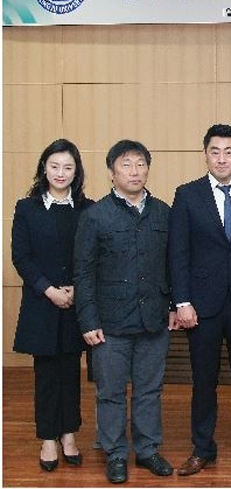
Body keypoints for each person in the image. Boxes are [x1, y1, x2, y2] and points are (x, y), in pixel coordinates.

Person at [169, 124, 231, 477]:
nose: (222, 158)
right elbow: (178, 252)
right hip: (201, 305)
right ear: (205, 155)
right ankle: (202, 449)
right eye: (215, 151)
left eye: (229, 152)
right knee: (204, 380)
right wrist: (181, 301)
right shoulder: (187, 195)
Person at [74, 140, 175, 484]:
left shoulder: (163, 213)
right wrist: (88, 320)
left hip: (153, 319)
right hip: (109, 323)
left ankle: (147, 450)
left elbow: (173, 265)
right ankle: (116, 453)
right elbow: (83, 272)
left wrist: (173, 305)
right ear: (111, 172)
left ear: (148, 169)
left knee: (149, 390)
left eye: (140, 164)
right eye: (126, 165)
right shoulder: (95, 216)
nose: (134, 171)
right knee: (110, 393)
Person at [11, 139, 93, 473]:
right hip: (42, 304)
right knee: (45, 374)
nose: (61, 173)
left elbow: (93, 256)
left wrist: (76, 288)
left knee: (71, 372)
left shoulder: (87, 209)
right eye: (54, 166)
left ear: (76, 172)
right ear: (44, 168)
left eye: (68, 167)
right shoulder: (27, 208)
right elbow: (21, 257)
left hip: (75, 304)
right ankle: (47, 438)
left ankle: (69, 435)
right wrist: (48, 290)